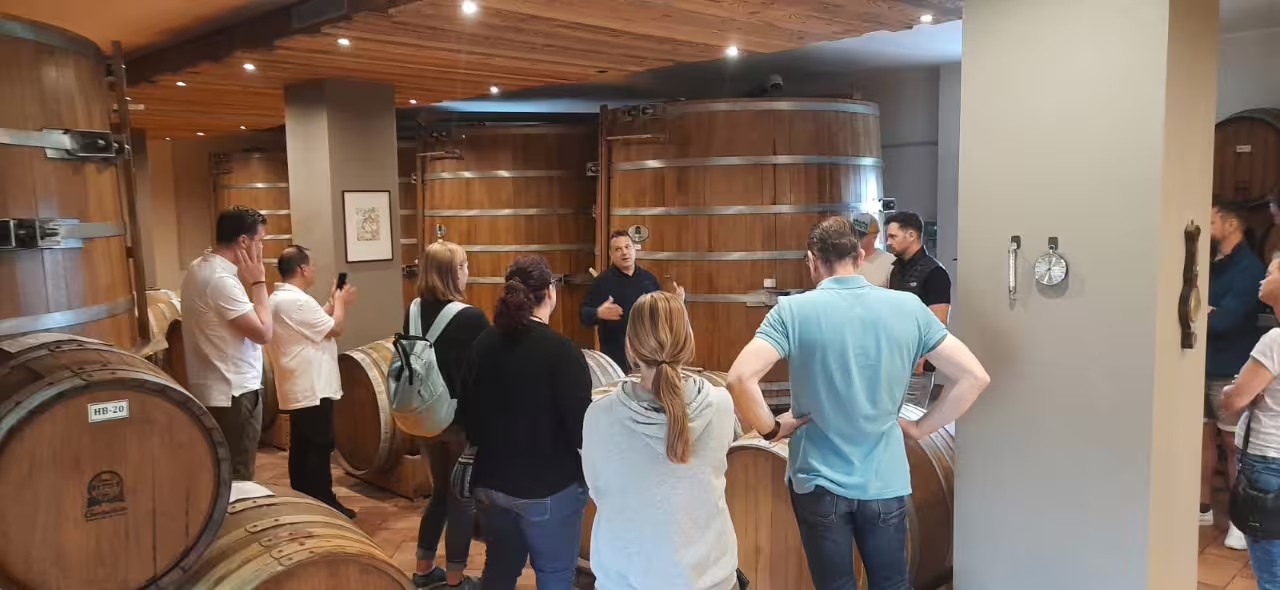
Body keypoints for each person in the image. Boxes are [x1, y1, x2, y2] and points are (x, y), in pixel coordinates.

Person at [726, 216, 989, 590]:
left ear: (812, 259)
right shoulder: (909, 308)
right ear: (860, 256)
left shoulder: (791, 311)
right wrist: (920, 428)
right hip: (884, 479)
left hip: (818, 481)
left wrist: (771, 429)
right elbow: (974, 377)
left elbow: (739, 378)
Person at [582, 291, 740, 590]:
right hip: (712, 578)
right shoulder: (721, 404)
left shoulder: (600, 415)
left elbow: (598, 490)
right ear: (688, 341)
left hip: (625, 580)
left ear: (630, 346)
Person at [461, 256, 592, 590]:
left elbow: (469, 421)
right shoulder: (563, 352)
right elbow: (582, 433)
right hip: (547, 488)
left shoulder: (483, 344)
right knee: (555, 576)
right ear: (551, 291)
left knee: (500, 571)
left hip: (491, 484)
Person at [407, 241, 491, 590]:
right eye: (464, 265)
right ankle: (456, 580)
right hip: (457, 423)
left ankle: (424, 569)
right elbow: (485, 370)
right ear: (452, 272)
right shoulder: (471, 317)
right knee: (461, 500)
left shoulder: (413, 309)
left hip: (424, 418)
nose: (467, 271)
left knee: (440, 494)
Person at [264, 245, 358, 518]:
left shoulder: (281, 299)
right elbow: (335, 328)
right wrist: (341, 303)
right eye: (312, 265)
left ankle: (303, 497)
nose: (315, 269)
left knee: (303, 445)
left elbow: (314, 323)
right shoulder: (296, 302)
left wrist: (331, 302)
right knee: (319, 444)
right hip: (312, 386)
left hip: (299, 384)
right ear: (302, 269)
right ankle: (324, 502)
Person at [181, 206, 273, 481]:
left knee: (219, 472)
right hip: (234, 391)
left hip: (215, 388)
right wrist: (259, 282)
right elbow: (263, 333)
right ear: (244, 241)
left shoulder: (198, 267)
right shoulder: (221, 280)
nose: (262, 249)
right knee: (238, 476)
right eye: (260, 241)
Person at [1204, 201, 1267, 550]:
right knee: (1198, 438)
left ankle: (1238, 522)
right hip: (1196, 362)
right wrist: (1206, 312)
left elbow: (1224, 320)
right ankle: (1200, 507)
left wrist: (1205, 313)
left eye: (1212, 217)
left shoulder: (1249, 268)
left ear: (1231, 224)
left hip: (1229, 365)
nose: (1205, 222)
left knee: (1233, 445)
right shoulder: (1210, 263)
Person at [1221, 255, 1280, 588]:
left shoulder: (1275, 341)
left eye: (1270, 273)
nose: (1262, 278)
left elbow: (1234, 401)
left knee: (1273, 574)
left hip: (1268, 461)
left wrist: (1234, 388)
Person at [581, 230, 684, 371]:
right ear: (611, 254)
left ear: (634, 249)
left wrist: (676, 303)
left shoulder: (649, 279)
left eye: (627, 247)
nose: (624, 252)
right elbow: (583, 314)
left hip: (649, 356)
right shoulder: (602, 282)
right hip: (616, 359)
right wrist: (598, 313)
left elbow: (661, 316)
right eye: (618, 249)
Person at [885, 211, 953, 408]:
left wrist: (922, 357)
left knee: (909, 418)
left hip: (917, 364)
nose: (888, 242)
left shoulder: (934, 272)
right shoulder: (896, 270)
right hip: (896, 359)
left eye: (893, 236)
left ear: (912, 235)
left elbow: (938, 322)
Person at [852, 212, 894, 288]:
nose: (855, 238)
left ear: (874, 237)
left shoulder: (889, 261)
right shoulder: (843, 261)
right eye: (853, 234)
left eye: (860, 235)